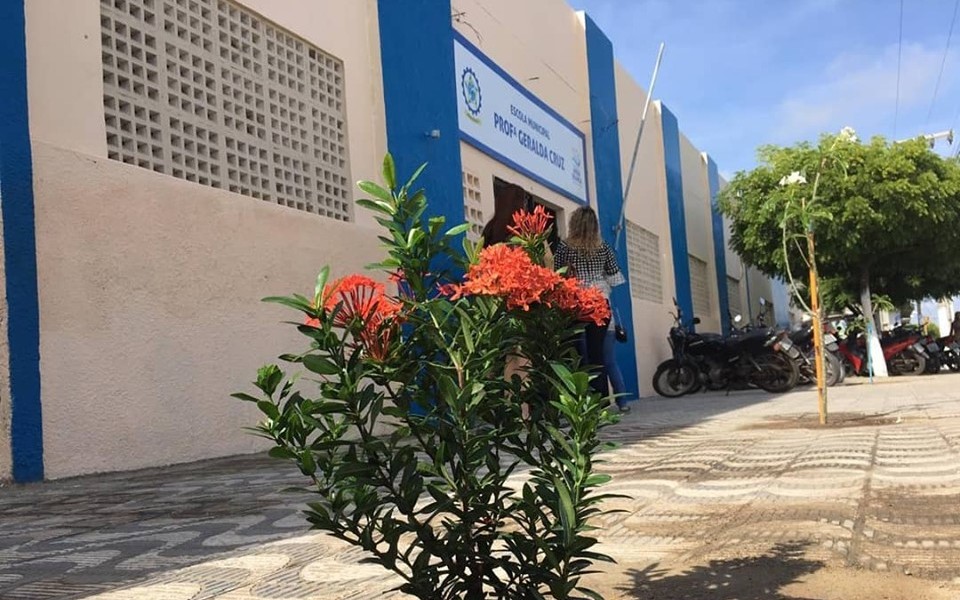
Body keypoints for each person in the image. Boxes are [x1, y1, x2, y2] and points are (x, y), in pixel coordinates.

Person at [554, 206, 630, 412]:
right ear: (595, 225)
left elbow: (557, 274)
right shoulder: (603, 247)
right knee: (598, 355)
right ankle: (601, 402)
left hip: (576, 302)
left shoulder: (565, 247)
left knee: (577, 354)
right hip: (599, 303)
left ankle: (580, 402)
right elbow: (615, 279)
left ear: (574, 223)